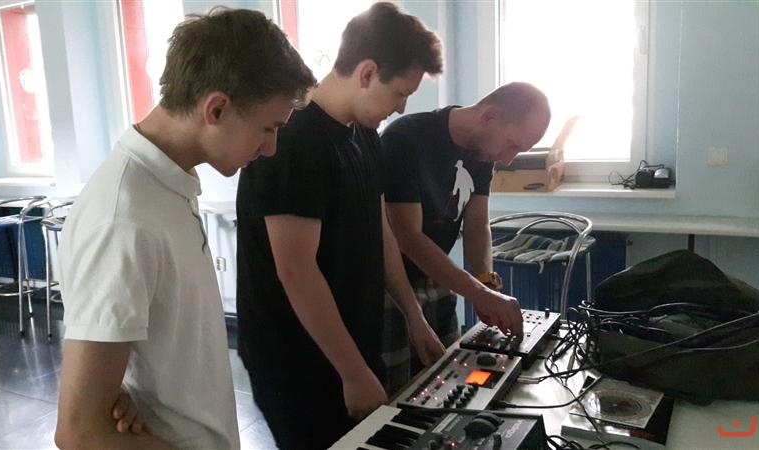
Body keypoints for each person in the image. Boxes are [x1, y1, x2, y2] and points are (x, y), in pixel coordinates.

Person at [54, 8, 315, 449]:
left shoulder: (167, 185)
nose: (270, 148)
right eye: (268, 128)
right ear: (217, 108)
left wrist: (119, 389)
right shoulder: (123, 219)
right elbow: (80, 432)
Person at [235, 3, 445, 449]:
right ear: (367, 73)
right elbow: (296, 270)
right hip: (296, 361)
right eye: (400, 93)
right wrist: (352, 371)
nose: (402, 107)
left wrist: (415, 318)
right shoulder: (293, 140)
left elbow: (381, 231)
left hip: (351, 342)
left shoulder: (363, 131)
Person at [379, 82, 551, 393]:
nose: (508, 159)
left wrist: (485, 282)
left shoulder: (482, 153)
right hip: (390, 287)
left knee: (445, 383)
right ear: (490, 116)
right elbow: (408, 237)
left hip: (438, 278)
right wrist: (477, 292)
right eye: (512, 145)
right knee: (396, 391)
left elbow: (477, 225)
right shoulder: (405, 138)